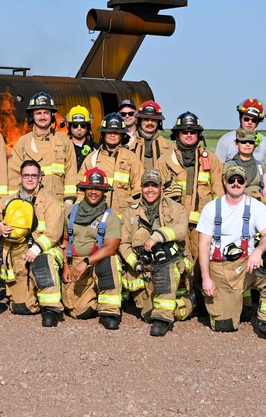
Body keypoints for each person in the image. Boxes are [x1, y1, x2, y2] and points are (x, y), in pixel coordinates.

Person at [197, 165, 266, 342]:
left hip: (248, 263)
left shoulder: (256, 207)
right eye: (231, 180)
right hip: (221, 268)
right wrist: (206, 277)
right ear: (224, 181)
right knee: (224, 326)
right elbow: (203, 245)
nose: (235, 183)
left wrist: (259, 252)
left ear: (246, 183)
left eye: (240, 180)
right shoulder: (211, 208)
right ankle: (203, 299)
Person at [0, 159, 65, 326]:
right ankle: (32, 297)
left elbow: (53, 233)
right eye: (26, 175)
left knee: (44, 261)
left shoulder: (50, 203)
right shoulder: (7, 202)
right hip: (17, 254)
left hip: (44, 250)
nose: (30, 179)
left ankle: (51, 309)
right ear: (20, 178)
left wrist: (36, 249)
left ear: (40, 178)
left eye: (34, 175)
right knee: (22, 307)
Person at [119, 169, 190, 335]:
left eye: (154, 186)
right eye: (146, 186)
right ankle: (187, 304)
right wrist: (134, 263)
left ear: (161, 188)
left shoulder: (176, 208)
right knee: (148, 313)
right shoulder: (131, 211)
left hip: (171, 262)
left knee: (165, 256)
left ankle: (162, 319)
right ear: (141, 187)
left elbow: (180, 230)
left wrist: (157, 237)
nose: (150, 190)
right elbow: (123, 243)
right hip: (144, 269)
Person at [165, 111, 224, 300]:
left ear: (199, 135)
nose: (189, 135)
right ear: (177, 134)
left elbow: (219, 192)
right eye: (184, 131)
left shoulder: (211, 160)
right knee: (178, 260)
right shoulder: (165, 161)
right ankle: (181, 299)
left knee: (202, 262)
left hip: (203, 225)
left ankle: (201, 300)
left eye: (193, 131)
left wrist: (218, 221)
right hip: (176, 224)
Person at [62, 169, 123, 329]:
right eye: (90, 188)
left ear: (104, 192)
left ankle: (110, 312)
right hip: (74, 264)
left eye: (98, 189)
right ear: (83, 190)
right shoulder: (70, 212)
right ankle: (94, 298)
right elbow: (64, 241)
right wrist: (66, 266)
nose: (94, 192)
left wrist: (87, 262)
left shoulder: (110, 217)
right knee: (79, 312)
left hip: (97, 264)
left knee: (111, 260)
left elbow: (111, 247)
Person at [8, 92, 78, 204]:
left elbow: (71, 172)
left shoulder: (64, 141)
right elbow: (13, 175)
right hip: (29, 204)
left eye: (46, 113)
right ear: (32, 116)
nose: (42, 117)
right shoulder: (23, 143)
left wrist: (69, 200)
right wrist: (15, 201)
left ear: (52, 115)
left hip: (57, 204)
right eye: (38, 113)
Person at [76, 113, 143, 217]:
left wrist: (131, 213)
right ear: (103, 134)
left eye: (116, 132)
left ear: (122, 135)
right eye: (109, 132)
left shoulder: (132, 159)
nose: (112, 135)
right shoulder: (92, 158)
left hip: (122, 218)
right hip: (95, 217)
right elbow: (80, 189)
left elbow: (138, 190)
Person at [214, 98, 266, 164]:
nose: (250, 122)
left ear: (258, 122)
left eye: (254, 120)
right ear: (240, 118)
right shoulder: (226, 140)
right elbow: (218, 167)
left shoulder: (265, 142)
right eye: (246, 119)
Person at [127, 100, 175, 178]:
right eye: (146, 119)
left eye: (153, 120)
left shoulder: (169, 147)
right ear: (140, 121)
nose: (150, 123)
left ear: (159, 123)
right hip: (135, 189)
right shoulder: (127, 145)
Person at [227, 129, 266, 207]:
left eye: (251, 142)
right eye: (243, 142)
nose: (248, 144)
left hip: (258, 207)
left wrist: (265, 210)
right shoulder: (229, 166)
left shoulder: (262, 166)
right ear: (237, 144)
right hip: (236, 207)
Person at [66, 105, 96, 170]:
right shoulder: (64, 148)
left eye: (83, 125)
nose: (79, 128)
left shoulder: (96, 148)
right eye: (75, 125)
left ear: (88, 127)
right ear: (69, 126)